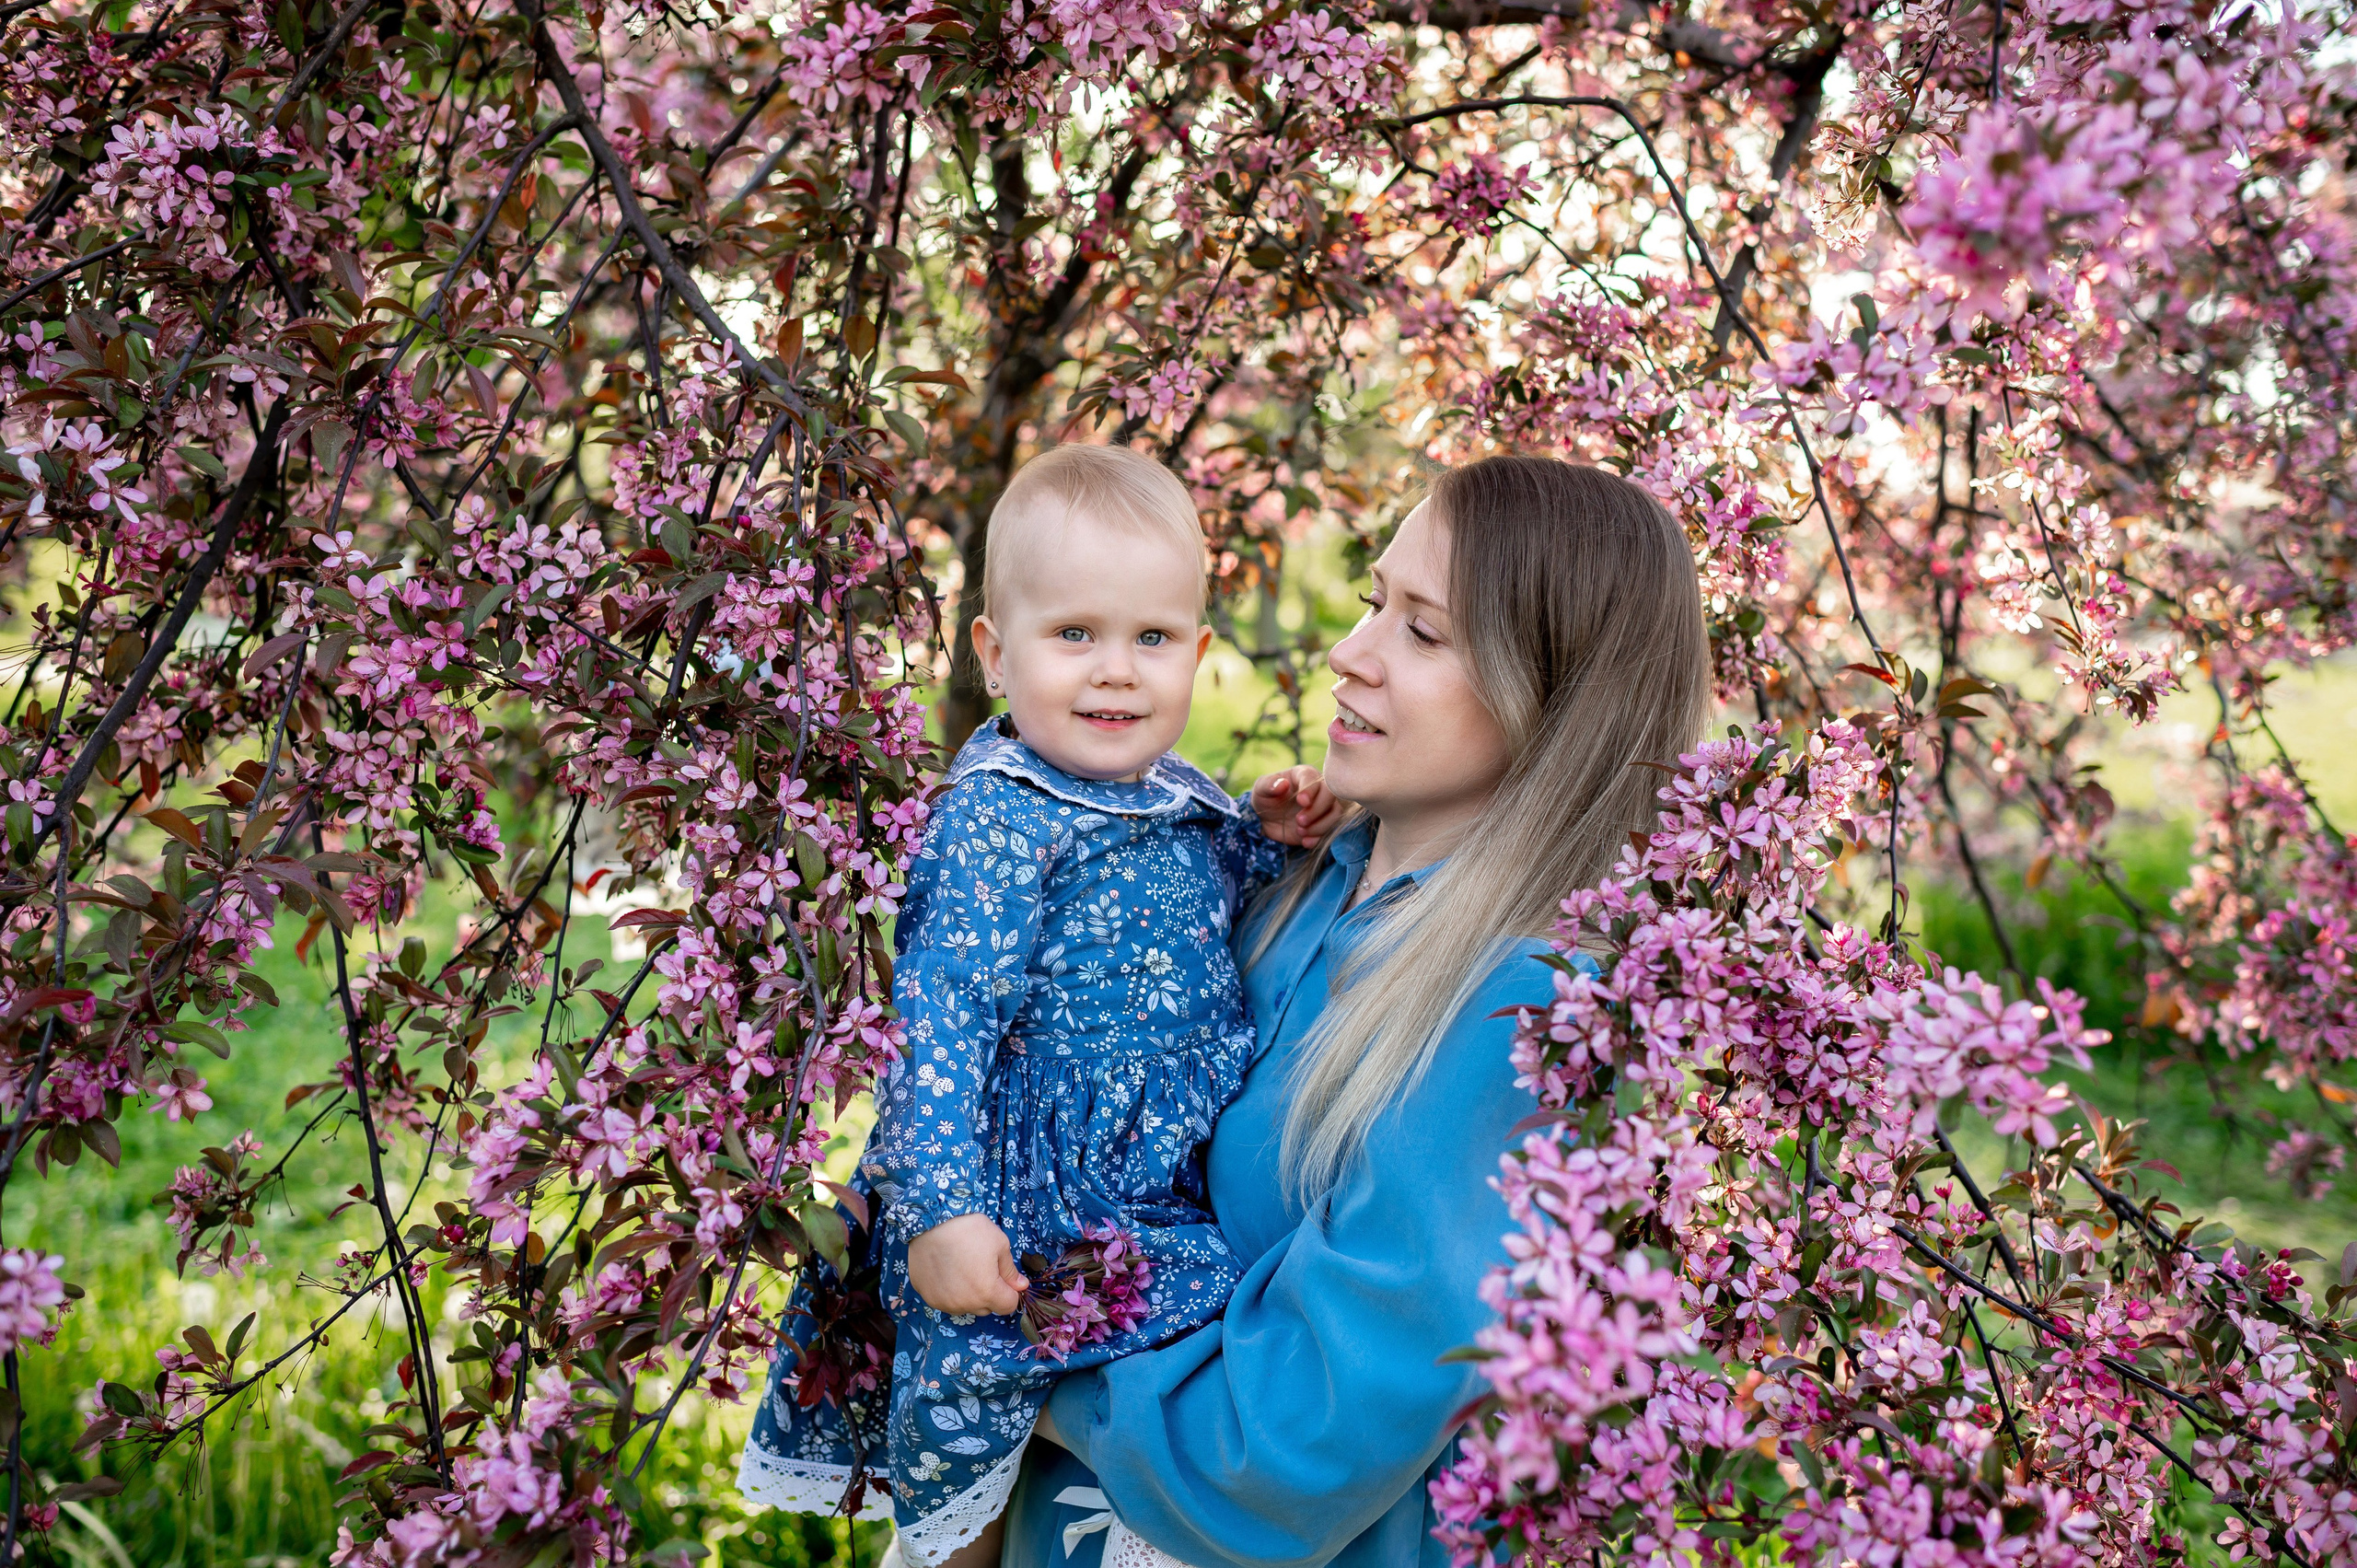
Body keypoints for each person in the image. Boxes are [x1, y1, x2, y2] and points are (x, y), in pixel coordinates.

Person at [999, 455, 1713, 1568]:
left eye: (1422, 632)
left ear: (1553, 695)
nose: (1349, 651)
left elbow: (1290, 1442)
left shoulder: (1519, 1007)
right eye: (1377, 600)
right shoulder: (1296, 886)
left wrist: (1003, 1354)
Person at [735, 444, 1342, 1568]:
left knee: (1087, 1448)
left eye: (1151, 638)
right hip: (1020, 1198)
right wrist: (942, 1212)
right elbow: (939, 1024)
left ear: (1199, 653)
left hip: (1146, 1180)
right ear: (993, 649)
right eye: (1074, 634)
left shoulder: (1178, 793)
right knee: (959, 1480)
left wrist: (1266, 835)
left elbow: (1191, 906)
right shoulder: (999, 816)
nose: (1116, 670)